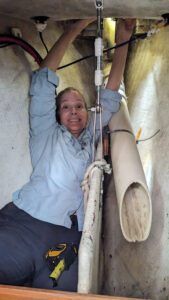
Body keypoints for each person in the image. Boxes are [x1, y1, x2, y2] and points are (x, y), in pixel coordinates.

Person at [0, 18, 135, 291]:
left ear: (87, 113)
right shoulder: (45, 132)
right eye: (65, 106)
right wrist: (77, 25)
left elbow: (110, 97)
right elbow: (41, 83)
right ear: (57, 114)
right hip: (26, 224)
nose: (73, 110)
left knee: (63, 293)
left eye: (79, 106)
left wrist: (124, 39)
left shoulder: (92, 134)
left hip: (68, 239)